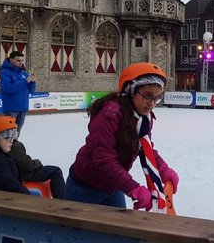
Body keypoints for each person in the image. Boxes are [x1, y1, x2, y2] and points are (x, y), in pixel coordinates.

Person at [66, 62, 179, 210]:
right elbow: (104, 159)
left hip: (113, 185)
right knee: (77, 233)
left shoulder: (142, 118)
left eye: (157, 98)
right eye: (147, 96)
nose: (152, 103)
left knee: (116, 231)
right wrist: (134, 189)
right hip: (85, 187)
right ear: (131, 91)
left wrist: (163, 169)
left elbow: (145, 149)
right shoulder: (110, 114)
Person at [0, 51, 36, 134]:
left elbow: (31, 91)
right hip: (11, 109)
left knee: (17, 133)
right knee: (8, 134)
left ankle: (14, 147)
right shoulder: (4, 72)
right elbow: (9, 88)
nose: (21, 63)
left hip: (23, 108)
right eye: (18, 60)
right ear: (11, 60)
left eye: (22, 61)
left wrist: (33, 82)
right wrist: (25, 81)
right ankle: (7, 147)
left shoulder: (23, 72)